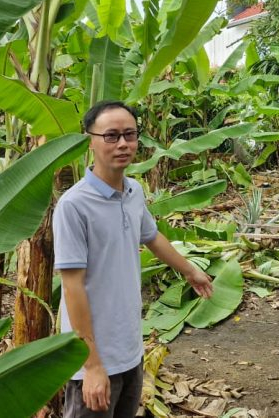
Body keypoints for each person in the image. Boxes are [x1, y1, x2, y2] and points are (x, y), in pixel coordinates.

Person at [54, 101, 214, 418]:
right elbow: (72, 288)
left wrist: (190, 270)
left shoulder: (134, 191)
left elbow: (151, 236)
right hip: (94, 359)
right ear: (90, 139)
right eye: (111, 136)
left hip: (130, 350)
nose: (123, 144)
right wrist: (93, 365)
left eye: (130, 134)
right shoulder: (74, 206)